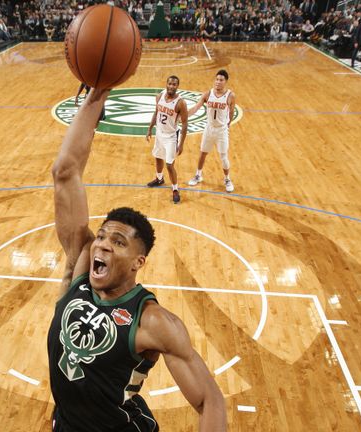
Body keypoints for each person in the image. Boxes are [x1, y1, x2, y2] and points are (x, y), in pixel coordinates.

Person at [49, 88, 227, 431]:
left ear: (138, 262)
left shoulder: (152, 321)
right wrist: (98, 92)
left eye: (118, 242)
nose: (102, 245)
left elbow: (209, 400)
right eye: (101, 236)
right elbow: (64, 173)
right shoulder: (80, 268)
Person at [186, 69, 237, 192]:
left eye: (221, 80)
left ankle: (227, 179)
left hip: (221, 130)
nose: (218, 82)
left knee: (223, 156)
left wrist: (228, 123)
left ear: (226, 82)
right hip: (209, 128)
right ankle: (198, 175)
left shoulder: (230, 95)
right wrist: (184, 116)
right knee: (203, 153)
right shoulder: (207, 94)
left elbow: (231, 111)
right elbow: (196, 108)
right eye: (217, 79)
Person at [146, 75, 188, 204]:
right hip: (159, 132)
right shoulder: (160, 96)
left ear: (177, 86)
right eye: (169, 83)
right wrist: (150, 128)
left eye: (174, 84)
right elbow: (156, 112)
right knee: (158, 157)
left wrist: (181, 144)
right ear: (166, 84)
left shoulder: (181, 103)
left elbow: (185, 124)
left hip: (171, 136)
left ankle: (175, 189)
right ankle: (159, 179)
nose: (171, 86)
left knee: (169, 164)